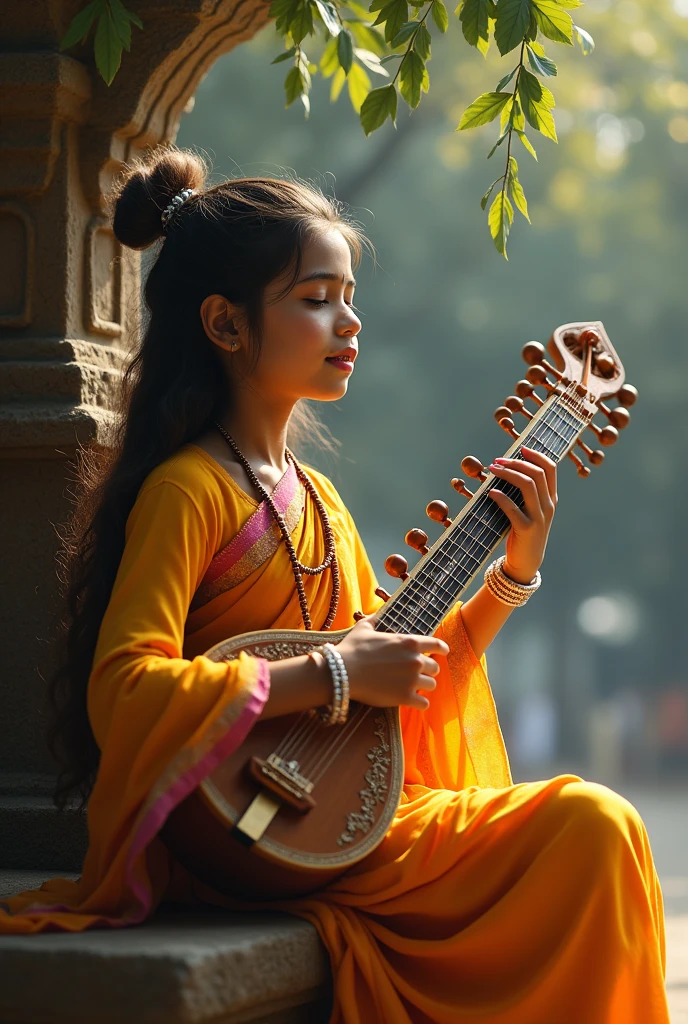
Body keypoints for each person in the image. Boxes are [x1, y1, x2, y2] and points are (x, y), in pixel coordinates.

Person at [0, 146, 668, 1023]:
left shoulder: (319, 498)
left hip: (330, 818)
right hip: (237, 831)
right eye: (316, 300)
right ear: (225, 324)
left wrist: (512, 573)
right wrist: (333, 675)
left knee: (595, 827)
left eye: (350, 298)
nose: (348, 322)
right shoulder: (188, 489)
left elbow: (397, 680)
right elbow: (124, 689)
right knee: (593, 825)